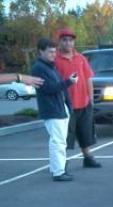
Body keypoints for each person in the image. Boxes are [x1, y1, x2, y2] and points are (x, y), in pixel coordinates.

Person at [31, 38, 77, 182]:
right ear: (41, 51)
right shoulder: (39, 68)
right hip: (52, 109)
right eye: (50, 51)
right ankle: (58, 171)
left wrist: (68, 105)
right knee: (58, 141)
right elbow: (49, 88)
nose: (53, 54)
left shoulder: (50, 67)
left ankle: (57, 167)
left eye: (54, 51)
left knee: (58, 141)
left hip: (59, 108)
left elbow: (57, 87)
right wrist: (69, 81)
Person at [54, 28, 101, 168]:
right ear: (60, 42)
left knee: (85, 132)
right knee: (64, 136)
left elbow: (88, 79)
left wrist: (90, 99)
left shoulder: (81, 58)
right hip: (65, 105)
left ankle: (88, 158)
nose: (68, 43)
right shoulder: (55, 60)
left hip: (84, 103)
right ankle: (61, 162)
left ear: (74, 42)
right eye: (64, 40)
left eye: (70, 40)